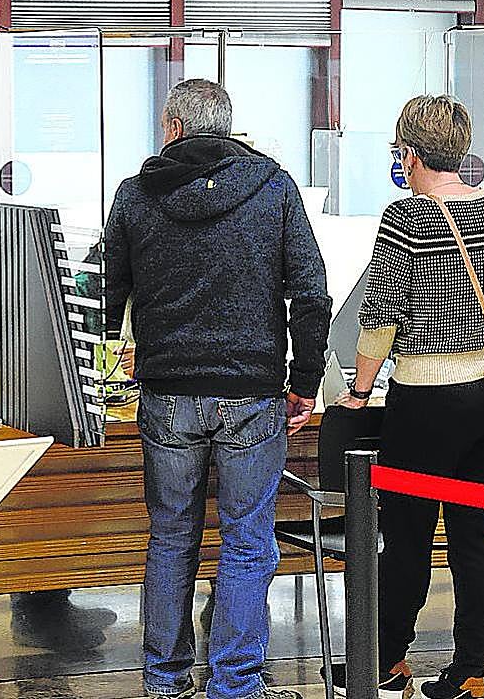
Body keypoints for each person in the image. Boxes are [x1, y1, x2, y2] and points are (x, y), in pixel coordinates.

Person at [103, 78, 331, 699]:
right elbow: (310, 293)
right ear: (226, 128)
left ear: (173, 127)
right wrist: (304, 383)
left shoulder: (133, 195)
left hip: (166, 394)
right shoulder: (274, 188)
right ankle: (234, 684)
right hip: (252, 393)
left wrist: (116, 352)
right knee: (246, 539)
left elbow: (109, 290)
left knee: (172, 536)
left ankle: (164, 681)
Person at [337, 96, 484, 699]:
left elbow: (381, 317)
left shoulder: (404, 219)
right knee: (476, 537)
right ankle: (470, 669)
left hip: (425, 401)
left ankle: (388, 660)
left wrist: (359, 389)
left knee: (409, 537)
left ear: (410, 154)